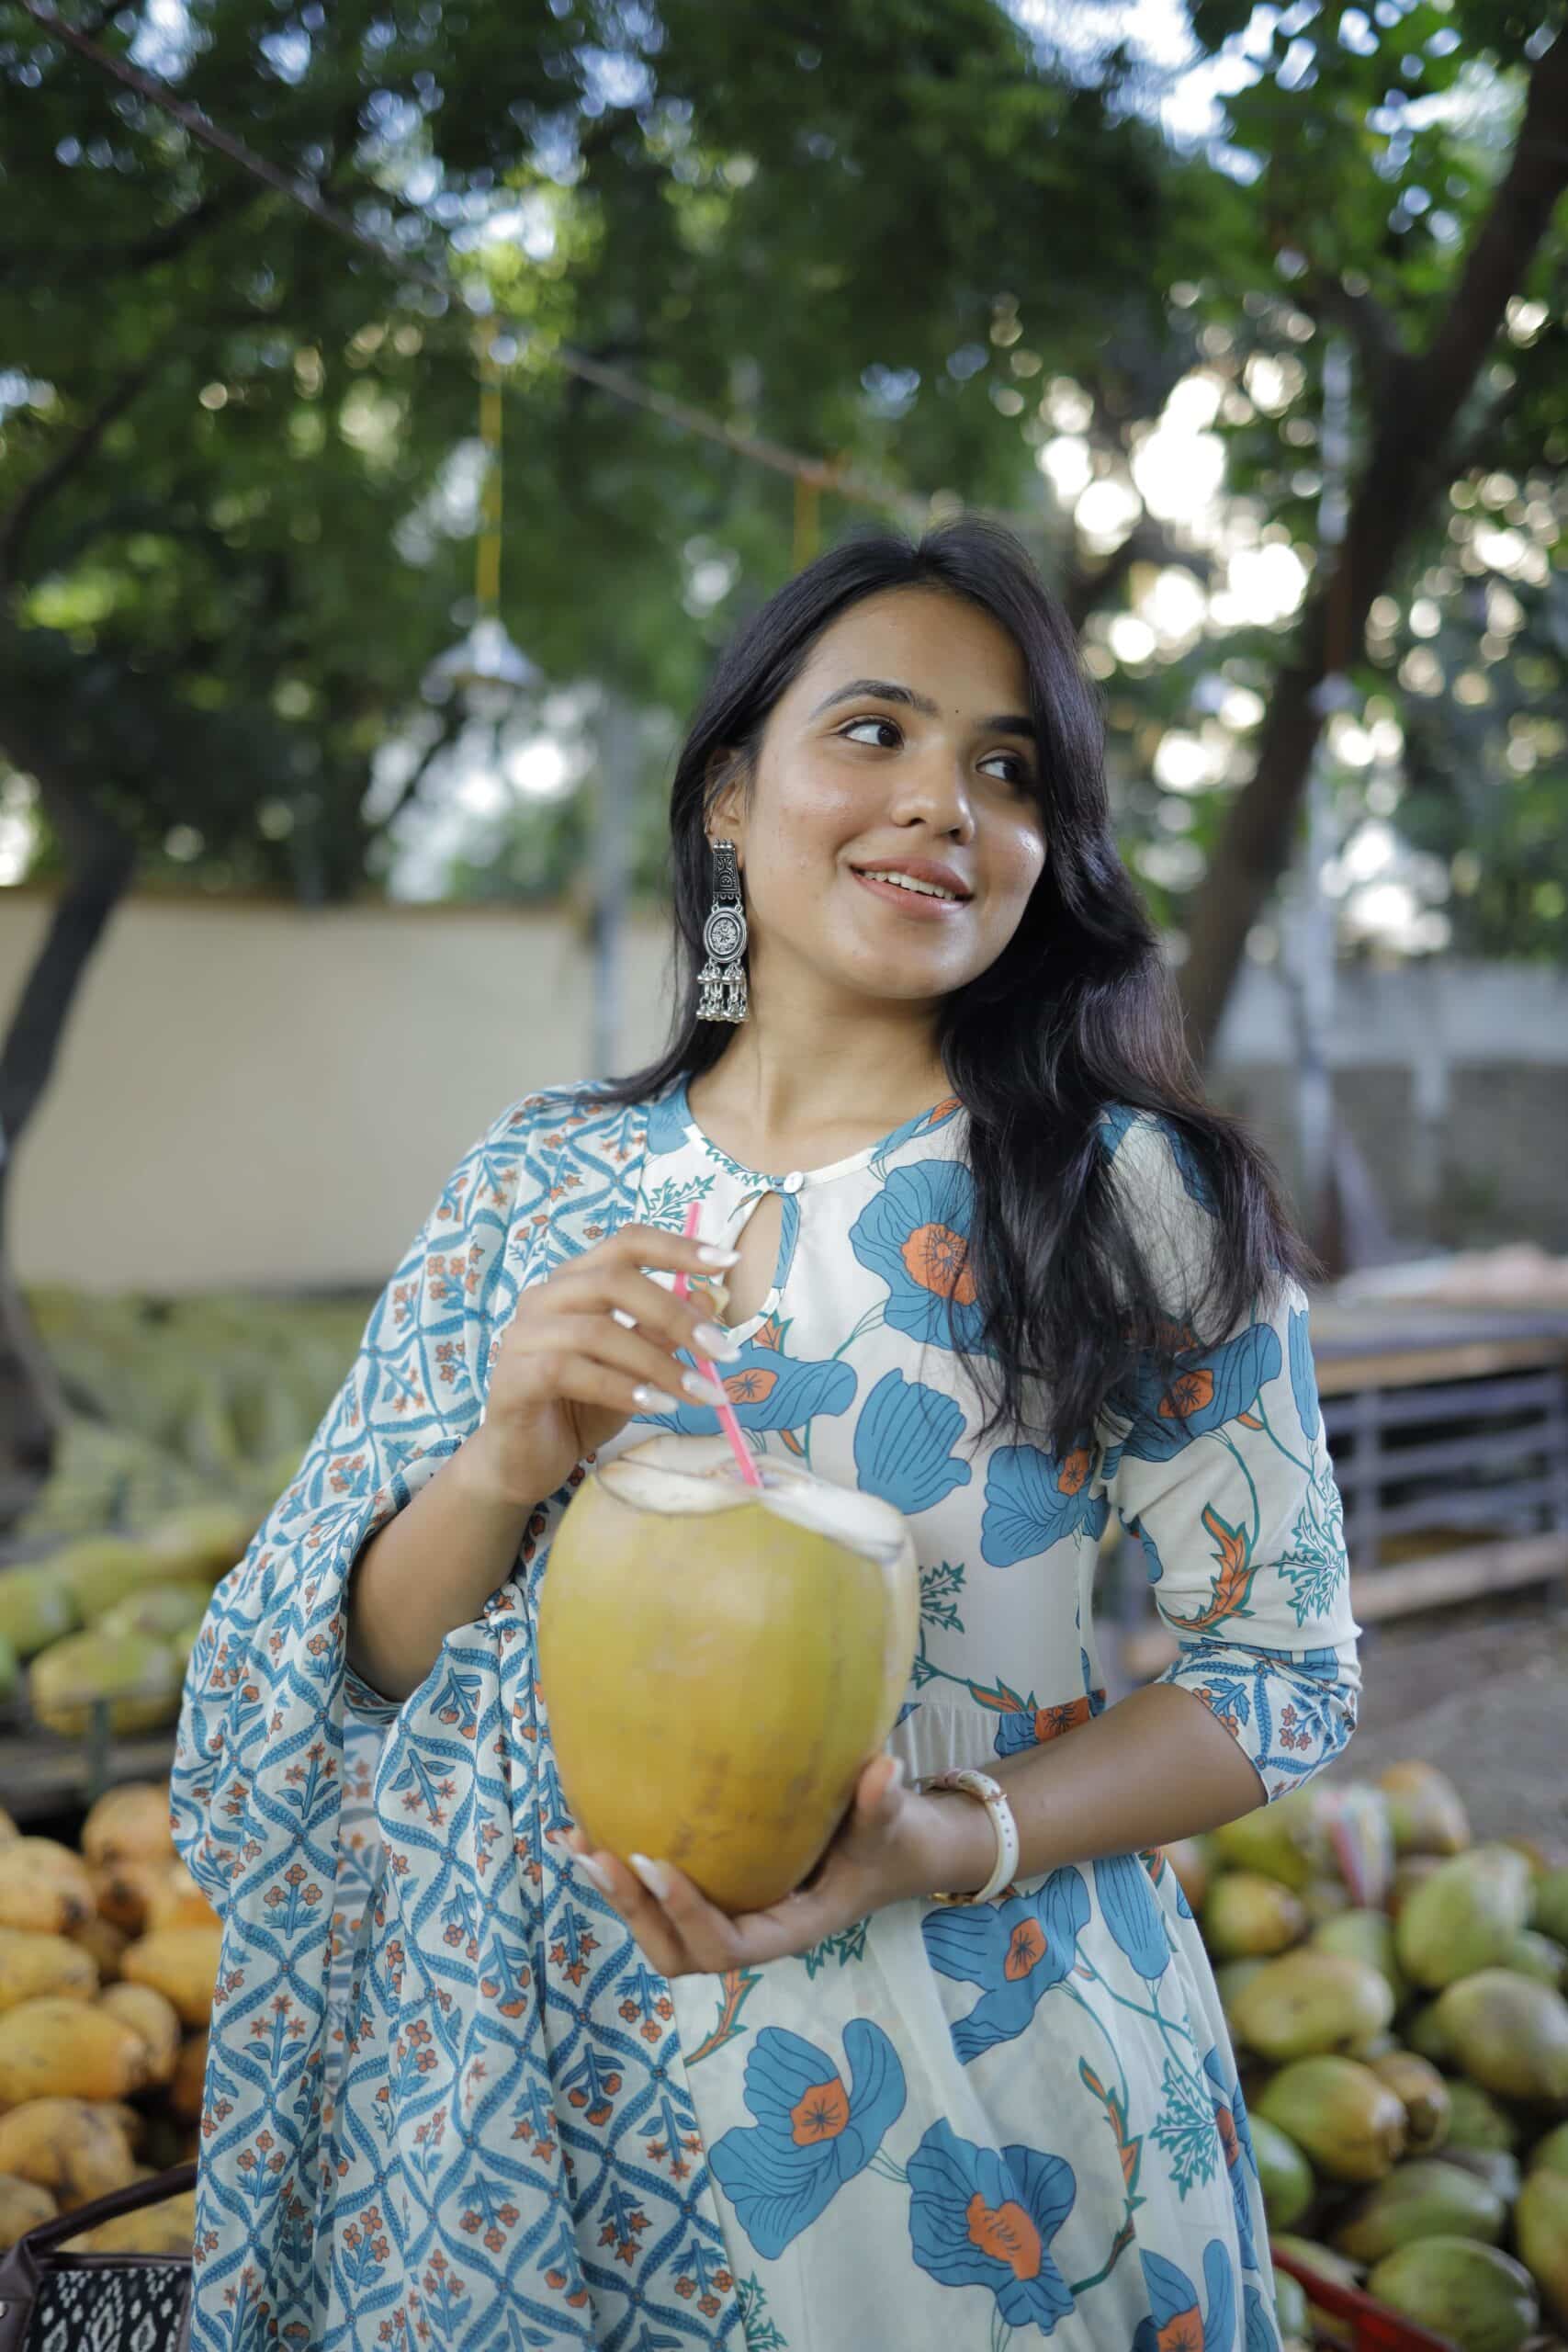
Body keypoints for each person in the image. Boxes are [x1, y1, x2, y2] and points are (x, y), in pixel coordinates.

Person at [172, 517, 1359, 2352]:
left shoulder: (1127, 1197)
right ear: (730, 793)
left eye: (1006, 766)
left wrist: (947, 1836)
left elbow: (1278, 1672)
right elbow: (320, 1677)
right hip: (509, 2112)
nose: (943, 805)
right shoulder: (535, 1181)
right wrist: (500, 1463)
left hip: (974, 2101)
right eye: (872, 732)